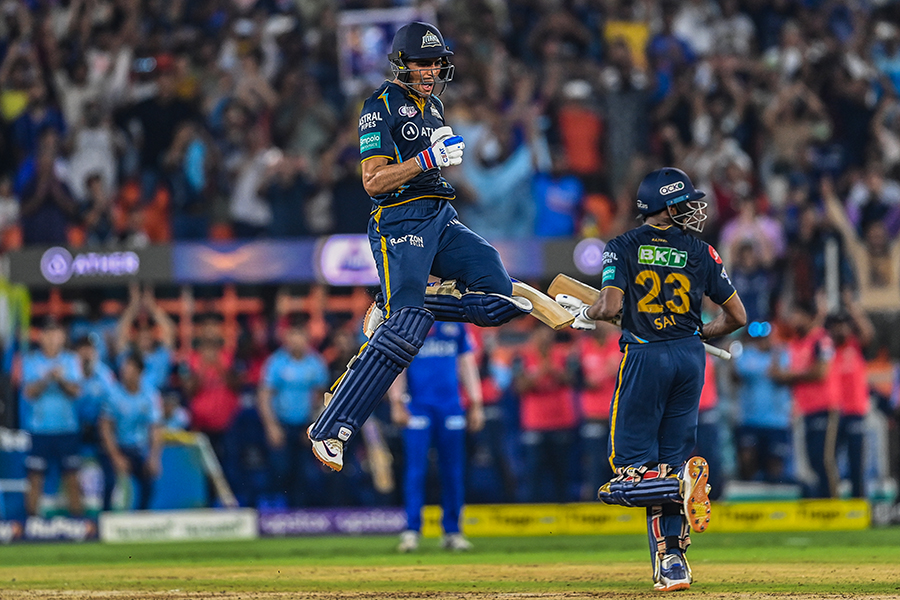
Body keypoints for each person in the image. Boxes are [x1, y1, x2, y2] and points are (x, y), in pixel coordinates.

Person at [307, 22, 533, 471]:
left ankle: (391, 304)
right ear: (400, 64)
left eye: (436, 62)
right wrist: (428, 159)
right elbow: (373, 181)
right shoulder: (379, 105)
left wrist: (442, 164)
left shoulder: (434, 108)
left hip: (441, 218)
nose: (431, 70)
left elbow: (433, 171)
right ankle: (332, 426)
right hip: (398, 220)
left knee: (500, 298)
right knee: (407, 330)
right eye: (422, 62)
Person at [556, 167, 746, 592]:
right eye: (684, 202)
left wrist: (584, 316)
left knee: (626, 476)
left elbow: (607, 306)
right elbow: (737, 318)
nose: (692, 210)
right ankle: (671, 561)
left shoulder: (621, 246)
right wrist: (697, 334)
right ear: (666, 205)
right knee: (665, 464)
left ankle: (679, 484)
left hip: (645, 357)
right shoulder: (702, 251)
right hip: (689, 359)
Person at [388, 321, 484, 552]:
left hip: (451, 406)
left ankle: (452, 531)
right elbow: (398, 364)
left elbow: (466, 362)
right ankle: (412, 530)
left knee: (452, 471)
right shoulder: (411, 322)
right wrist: (396, 401)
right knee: (415, 471)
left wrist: (476, 403)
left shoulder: (456, 324)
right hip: (418, 406)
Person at [257, 317, 329, 508]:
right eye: (293, 336)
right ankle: (275, 512)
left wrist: (315, 426)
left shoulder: (315, 363)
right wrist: (271, 427)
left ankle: (300, 515)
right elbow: (264, 397)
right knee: (280, 469)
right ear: (286, 338)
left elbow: (322, 398)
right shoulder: (276, 363)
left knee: (305, 473)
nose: (297, 340)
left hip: (305, 425)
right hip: (282, 423)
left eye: (301, 336)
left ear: (307, 338)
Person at [769, 302, 837, 498]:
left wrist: (787, 376)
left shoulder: (821, 339)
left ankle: (832, 503)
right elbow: (783, 377)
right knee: (811, 460)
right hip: (805, 409)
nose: (793, 321)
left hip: (825, 406)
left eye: (797, 315)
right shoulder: (796, 342)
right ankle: (820, 500)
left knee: (823, 459)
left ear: (808, 317)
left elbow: (821, 372)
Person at [21, 318, 83, 517]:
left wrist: (61, 379)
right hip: (40, 429)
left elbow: (75, 391)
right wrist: (48, 378)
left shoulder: (71, 360)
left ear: (62, 337)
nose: (52, 339)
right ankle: (31, 523)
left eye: (56, 334)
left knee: (72, 477)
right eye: (48, 334)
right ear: (41, 337)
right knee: (35, 477)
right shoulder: (31, 360)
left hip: (67, 428)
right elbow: (29, 392)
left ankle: (79, 523)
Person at [98, 352, 163, 510]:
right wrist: (115, 456)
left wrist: (154, 457)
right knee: (110, 482)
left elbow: (155, 427)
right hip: (116, 446)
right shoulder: (113, 395)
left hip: (137, 448)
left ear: (139, 372)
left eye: (129, 367)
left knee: (149, 482)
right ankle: (105, 518)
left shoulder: (150, 396)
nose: (124, 371)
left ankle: (142, 518)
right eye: (124, 367)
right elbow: (105, 428)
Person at [825, 303, 874, 498]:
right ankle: (832, 501)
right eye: (835, 325)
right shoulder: (826, 349)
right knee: (829, 461)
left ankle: (858, 501)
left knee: (856, 461)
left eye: (843, 325)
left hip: (855, 411)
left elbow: (868, 333)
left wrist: (854, 307)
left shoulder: (855, 345)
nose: (839, 329)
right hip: (834, 413)